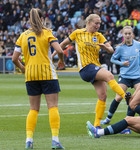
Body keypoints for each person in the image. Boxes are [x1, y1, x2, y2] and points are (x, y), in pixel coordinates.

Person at [52, 14, 126, 128]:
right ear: (88, 22)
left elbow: (111, 49)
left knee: (103, 96)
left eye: (99, 23)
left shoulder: (99, 35)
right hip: (86, 68)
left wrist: (106, 48)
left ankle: (97, 126)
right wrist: (53, 55)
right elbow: (62, 44)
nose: (98, 25)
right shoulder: (77, 33)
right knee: (110, 76)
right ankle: (127, 97)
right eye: (96, 23)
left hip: (95, 67)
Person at [12, 8, 65, 149]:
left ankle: (29, 140)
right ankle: (55, 140)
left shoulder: (23, 36)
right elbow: (59, 50)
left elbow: (14, 58)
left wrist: (23, 68)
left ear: (30, 20)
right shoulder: (47, 33)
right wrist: (61, 61)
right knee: (52, 107)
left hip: (30, 75)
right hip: (47, 73)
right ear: (42, 19)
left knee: (33, 109)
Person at [100, 26, 140, 127]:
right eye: (125, 34)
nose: (128, 35)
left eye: (129, 33)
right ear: (123, 35)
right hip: (125, 76)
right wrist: (122, 63)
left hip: (137, 76)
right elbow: (113, 59)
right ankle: (108, 119)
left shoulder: (138, 44)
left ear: (132, 34)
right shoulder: (120, 48)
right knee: (118, 97)